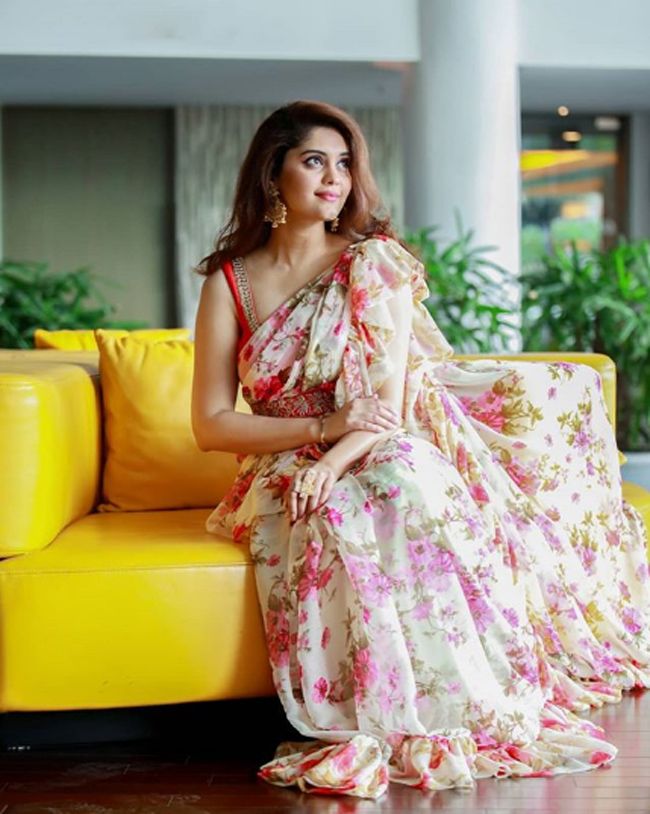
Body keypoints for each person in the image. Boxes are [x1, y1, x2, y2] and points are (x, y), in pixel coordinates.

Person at [190, 100, 650, 799]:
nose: (334, 178)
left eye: (345, 164)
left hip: (374, 441)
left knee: (407, 481)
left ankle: (451, 706)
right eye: (314, 161)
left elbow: (388, 404)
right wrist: (319, 433)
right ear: (271, 173)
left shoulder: (372, 263)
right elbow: (211, 425)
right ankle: (371, 713)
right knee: (331, 512)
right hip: (284, 453)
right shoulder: (231, 281)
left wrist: (336, 455)